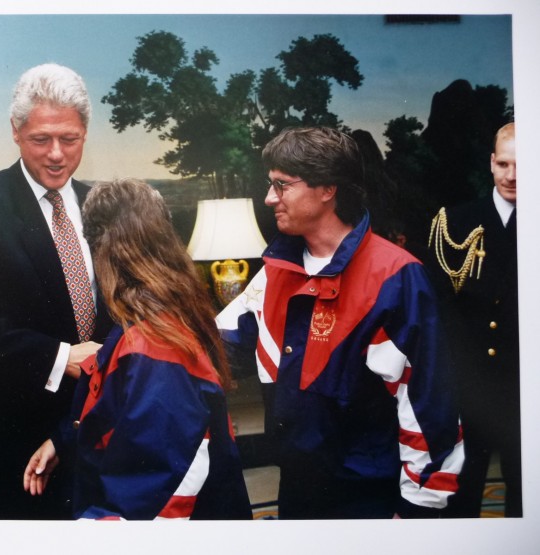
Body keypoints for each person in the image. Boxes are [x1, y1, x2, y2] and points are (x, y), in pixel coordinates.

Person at [216, 126, 464, 519]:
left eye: (281, 186)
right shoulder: (276, 271)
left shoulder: (394, 277)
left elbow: (428, 403)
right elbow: (215, 344)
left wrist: (418, 511)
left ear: (327, 188)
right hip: (298, 492)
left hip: (369, 500)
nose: (269, 198)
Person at [0, 63, 113, 519]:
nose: (55, 154)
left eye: (69, 140)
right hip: (6, 444)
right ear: (15, 131)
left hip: (98, 432)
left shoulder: (103, 207)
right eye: (40, 139)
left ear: (85, 132)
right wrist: (58, 357)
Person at [23, 178, 252, 520]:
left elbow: (159, 491)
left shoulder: (153, 343)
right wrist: (64, 439)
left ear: (102, 250)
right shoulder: (158, 320)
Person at [427, 122, 520, 517]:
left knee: (528, 502)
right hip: (471, 388)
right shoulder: (456, 223)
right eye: (503, 163)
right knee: (460, 500)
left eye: (523, 164)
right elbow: (437, 310)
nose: (512, 176)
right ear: (491, 163)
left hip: (525, 390)